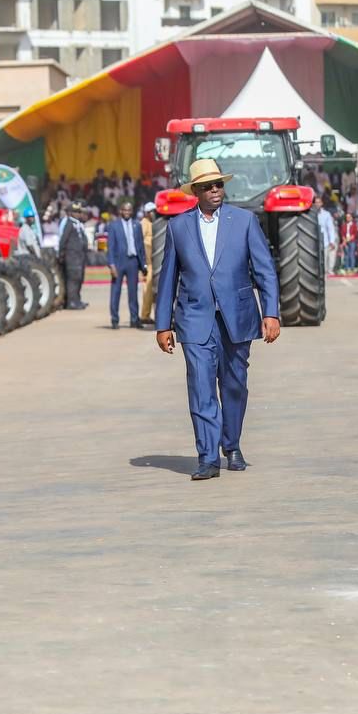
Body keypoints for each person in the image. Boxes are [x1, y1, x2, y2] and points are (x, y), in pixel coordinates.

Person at [155, 158, 280, 481]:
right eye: (208, 186)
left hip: (238, 317)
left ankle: (232, 444)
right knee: (200, 387)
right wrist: (162, 324)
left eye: (219, 185)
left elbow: (265, 270)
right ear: (196, 191)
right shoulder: (178, 227)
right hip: (194, 319)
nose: (215, 190)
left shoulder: (244, 221)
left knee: (234, 385)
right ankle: (208, 457)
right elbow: (167, 277)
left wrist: (271, 312)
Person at [106, 201, 147, 329]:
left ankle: (134, 319)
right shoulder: (113, 226)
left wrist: (143, 264)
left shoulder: (137, 225)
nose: (127, 212)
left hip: (133, 261)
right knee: (116, 291)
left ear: (132, 211)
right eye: (124, 210)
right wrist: (111, 264)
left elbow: (140, 246)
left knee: (133, 292)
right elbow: (110, 247)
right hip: (119, 262)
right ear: (120, 211)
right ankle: (114, 319)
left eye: (129, 210)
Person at [57, 202, 88, 309]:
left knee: (79, 278)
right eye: (75, 212)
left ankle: (77, 299)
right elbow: (63, 239)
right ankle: (71, 301)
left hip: (80, 256)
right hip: (72, 255)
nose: (78, 214)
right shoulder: (69, 223)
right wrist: (61, 254)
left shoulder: (78, 224)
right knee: (73, 279)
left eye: (79, 212)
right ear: (70, 213)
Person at [139, 202, 156, 327]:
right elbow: (141, 244)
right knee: (148, 290)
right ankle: (145, 315)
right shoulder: (144, 224)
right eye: (151, 211)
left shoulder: (154, 223)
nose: (153, 213)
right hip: (148, 263)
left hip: (155, 261)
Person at [314, 196, 337, 276]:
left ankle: (328, 270)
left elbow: (330, 228)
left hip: (325, 240)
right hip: (314, 240)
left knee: (325, 257)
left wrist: (332, 241)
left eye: (318, 202)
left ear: (321, 203)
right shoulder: (311, 214)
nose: (317, 204)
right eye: (315, 203)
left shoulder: (326, 214)